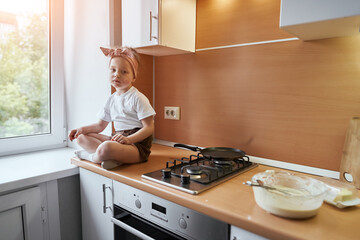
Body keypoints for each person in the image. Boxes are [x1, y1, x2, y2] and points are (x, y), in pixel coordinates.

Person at [69, 46, 156, 169]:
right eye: (113, 70)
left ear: (134, 76)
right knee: (81, 138)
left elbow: (149, 128)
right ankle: (112, 158)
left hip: (136, 146)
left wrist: (129, 140)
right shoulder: (111, 99)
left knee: (106, 147)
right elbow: (100, 126)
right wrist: (81, 129)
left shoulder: (138, 98)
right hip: (118, 139)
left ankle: (91, 157)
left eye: (124, 72)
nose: (117, 75)